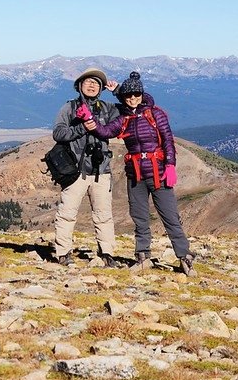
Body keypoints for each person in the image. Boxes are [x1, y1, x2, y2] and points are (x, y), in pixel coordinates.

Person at [82, 71, 196, 277]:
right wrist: (92, 123)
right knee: (139, 217)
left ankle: (185, 257)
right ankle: (143, 257)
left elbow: (168, 141)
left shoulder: (156, 114)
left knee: (170, 217)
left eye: (136, 94)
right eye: (128, 96)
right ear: (124, 97)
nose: (132, 98)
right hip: (135, 175)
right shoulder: (123, 117)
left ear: (142, 94)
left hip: (159, 173)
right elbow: (107, 131)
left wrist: (170, 165)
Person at [51, 67, 121, 268]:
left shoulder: (108, 108)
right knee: (67, 213)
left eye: (96, 83)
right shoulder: (69, 108)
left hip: (101, 170)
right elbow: (58, 133)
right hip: (76, 171)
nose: (91, 85)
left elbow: (134, 106)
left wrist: (117, 91)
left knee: (104, 215)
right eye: (88, 81)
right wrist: (81, 128)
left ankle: (107, 253)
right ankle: (63, 253)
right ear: (80, 86)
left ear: (101, 89)